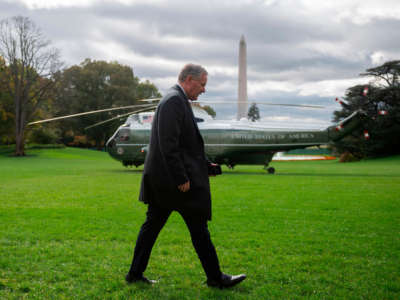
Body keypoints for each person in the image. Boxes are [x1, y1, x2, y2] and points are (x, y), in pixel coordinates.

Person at [125, 63, 246, 288]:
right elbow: (168, 145)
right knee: (196, 229)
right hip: (174, 185)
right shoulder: (173, 101)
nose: (203, 90)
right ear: (189, 79)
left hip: (167, 183)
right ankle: (216, 278)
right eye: (202, 84)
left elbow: (182, 145)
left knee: (156, 228)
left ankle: (135, 274)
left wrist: (205, 165)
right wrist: (181, 178)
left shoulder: (177, 100)